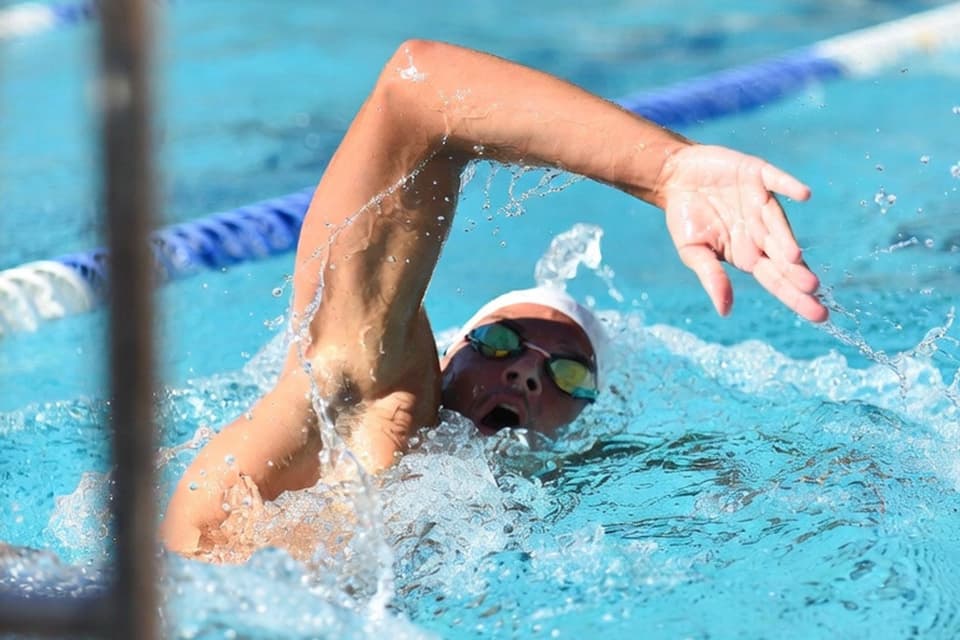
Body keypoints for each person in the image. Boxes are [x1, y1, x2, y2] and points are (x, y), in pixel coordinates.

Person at [160, 39, 828, 556]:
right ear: (447, 354)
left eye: (568, 372)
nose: (524, 368)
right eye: (500, 340)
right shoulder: (361, 405)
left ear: (578, 425)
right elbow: (417, 88)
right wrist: (665, 171)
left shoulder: (507, 515)